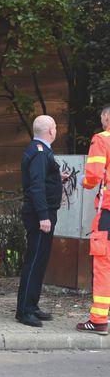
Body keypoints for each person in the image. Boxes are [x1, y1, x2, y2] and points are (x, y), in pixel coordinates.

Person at [15, 115, 65, 327]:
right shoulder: (40, 152)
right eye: (55, 128)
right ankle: (24, 311)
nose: (56, 131)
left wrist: (57, 178)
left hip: (41, 214)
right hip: (39, 216)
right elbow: (36, 186)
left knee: (39, 261)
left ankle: (32, 305)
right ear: (51, 131)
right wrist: (44, 216)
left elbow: (41, 179)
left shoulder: (39, 150)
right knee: (34, 261)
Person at [78, 104, 110, 335]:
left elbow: (93, 175)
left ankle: (99, 320)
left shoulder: (102, 139)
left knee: (103, 266)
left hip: (108, 213)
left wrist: (85, 183)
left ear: (107, 117)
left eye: (101, 117)